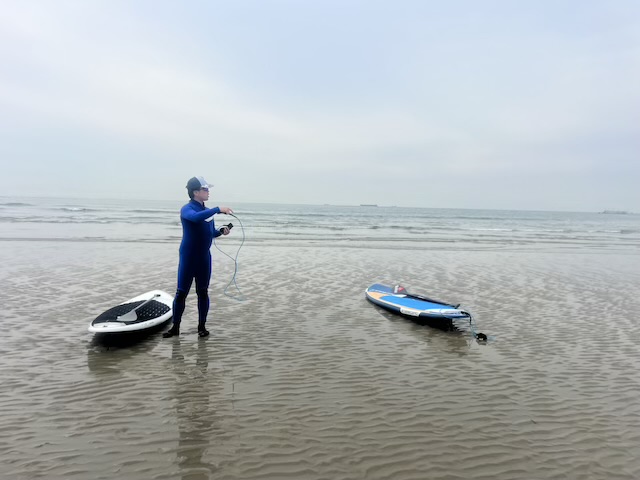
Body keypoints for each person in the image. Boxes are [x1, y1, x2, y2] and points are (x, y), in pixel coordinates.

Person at [163, 176, 233, 338]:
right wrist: (217, 209)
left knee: (203, 292)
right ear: (195, 192)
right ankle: (175, 328)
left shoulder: (207, 212)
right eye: (205, 189)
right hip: (189, 257)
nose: (208, 192)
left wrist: (220, 231)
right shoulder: (187, 209)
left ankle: (202, 327)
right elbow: (195, 218)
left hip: (204, 258)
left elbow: (210, 232)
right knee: (181, 293)